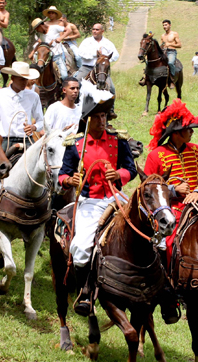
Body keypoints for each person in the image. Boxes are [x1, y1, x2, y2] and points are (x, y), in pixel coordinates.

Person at [58, 93, 137, 316]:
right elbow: (63, 175)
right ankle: (85, 290)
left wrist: (118, 173)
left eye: (104, 116)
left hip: (117, 198)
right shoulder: (76, 144)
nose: (102, 121)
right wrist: (69, 180)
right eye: (97, 117)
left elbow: (130, 169)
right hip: (90, 202)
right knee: (81, 247)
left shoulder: (119, 140)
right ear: (88, 119)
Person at [143, 99, 198, 323]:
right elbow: (148, 187)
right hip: (171, 209)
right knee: (169, 242)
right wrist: (173, 190)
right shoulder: (156, 156)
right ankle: (170, 288)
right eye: (187, 130)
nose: (192, 133)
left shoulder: (197, 151)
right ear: (176, 133)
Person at [0, 61, 43, 151]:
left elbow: (41, 121)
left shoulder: (33, 96)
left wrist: (33, 127)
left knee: (40, 161)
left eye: (26, 79)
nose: (25, 82)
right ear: (13, 78)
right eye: (21, 79)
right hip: (4, 139)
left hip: (26, 139)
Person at [76, 22, 119, 118]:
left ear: (102, 31)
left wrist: (105, 60)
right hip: (87, 67)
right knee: (77, 82)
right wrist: (94, 54)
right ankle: (74, 106)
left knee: (111, 87)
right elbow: (80, 53)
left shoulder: (108, 43)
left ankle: (111, 110)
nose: (94, 31)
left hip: (102, 70)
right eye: (93, 29)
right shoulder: (86, 42)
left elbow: (116, 54)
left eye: (97, 29)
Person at [42, 6, 70, 79]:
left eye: (53, 13)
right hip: (46, 49)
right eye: (49, 13)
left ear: (56, 14)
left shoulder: (59, 23)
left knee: (64, 75)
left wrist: (61, 38)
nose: (51, 14)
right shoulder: (45, 23)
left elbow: (67, 30)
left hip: (57, 49)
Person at [161, 19, 182, 87]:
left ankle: (172, 79)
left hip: (171, 52)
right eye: (163, 25)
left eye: (166, 25)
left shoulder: (174, 34)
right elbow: (161, 45)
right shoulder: (162, 36)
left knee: (170, 63)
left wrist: (170, 44)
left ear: (170, 25)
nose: (164, 26)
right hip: (164, 51)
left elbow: (179, 45)